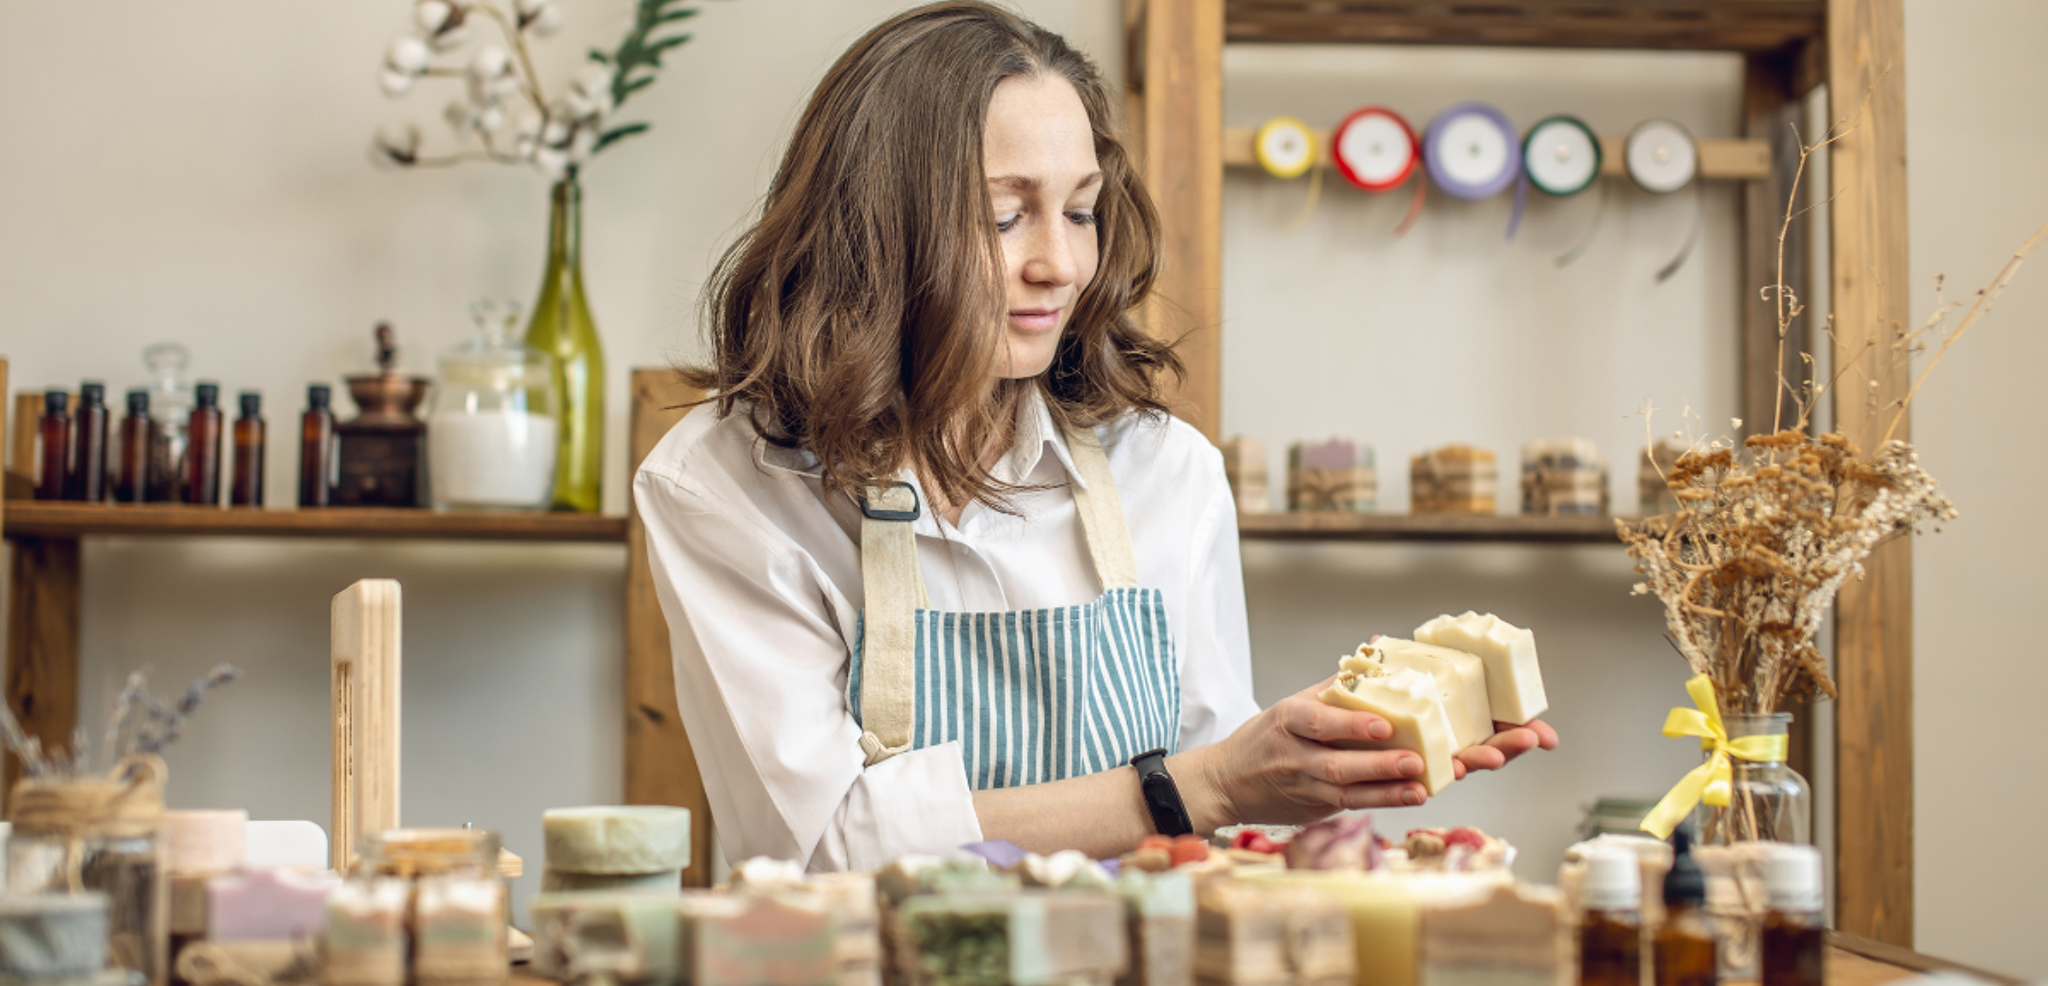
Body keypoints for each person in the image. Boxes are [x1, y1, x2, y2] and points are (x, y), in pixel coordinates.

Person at [635, 1, 1558, 872]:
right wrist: (1208, 782)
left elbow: (1213, 796)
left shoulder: (1166, 471)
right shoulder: (727, 485)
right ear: (876, 232)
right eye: (1005, 216)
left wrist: (1304, 762)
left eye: (1080, 209)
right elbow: (822, 846)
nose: (1063, 264)